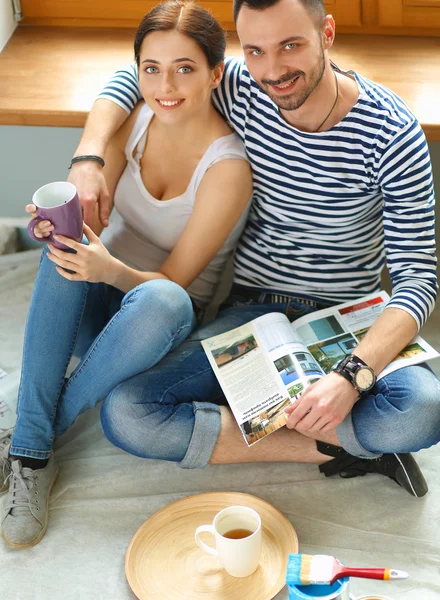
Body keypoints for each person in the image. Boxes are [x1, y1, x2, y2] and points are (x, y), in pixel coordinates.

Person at [41, 0, 440, 500]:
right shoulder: (241, 83)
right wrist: (89, 158)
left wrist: (352, 377)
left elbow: (417, 278)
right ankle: (347, 446)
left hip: (348, 315)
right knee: (127, 413)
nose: (273, 71)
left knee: (422, 410)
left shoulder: (392, 133)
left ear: (327, 33)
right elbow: (134, 76)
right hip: (250, 311)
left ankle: (301, 419)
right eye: (255, 51)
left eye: (291, 45)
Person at [0, 0, 252, 549]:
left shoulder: (229, 168)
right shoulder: (131, 122)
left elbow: (175, 284)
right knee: (62, 239)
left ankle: (29, 430)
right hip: (96, 298)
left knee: (162, 301)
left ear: (215, 74)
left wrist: (108, 269)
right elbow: (89, 223)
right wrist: (61, 224)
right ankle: (32, 448)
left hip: (156, 325)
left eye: (185, 68)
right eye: (152, 68)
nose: (166, 85)